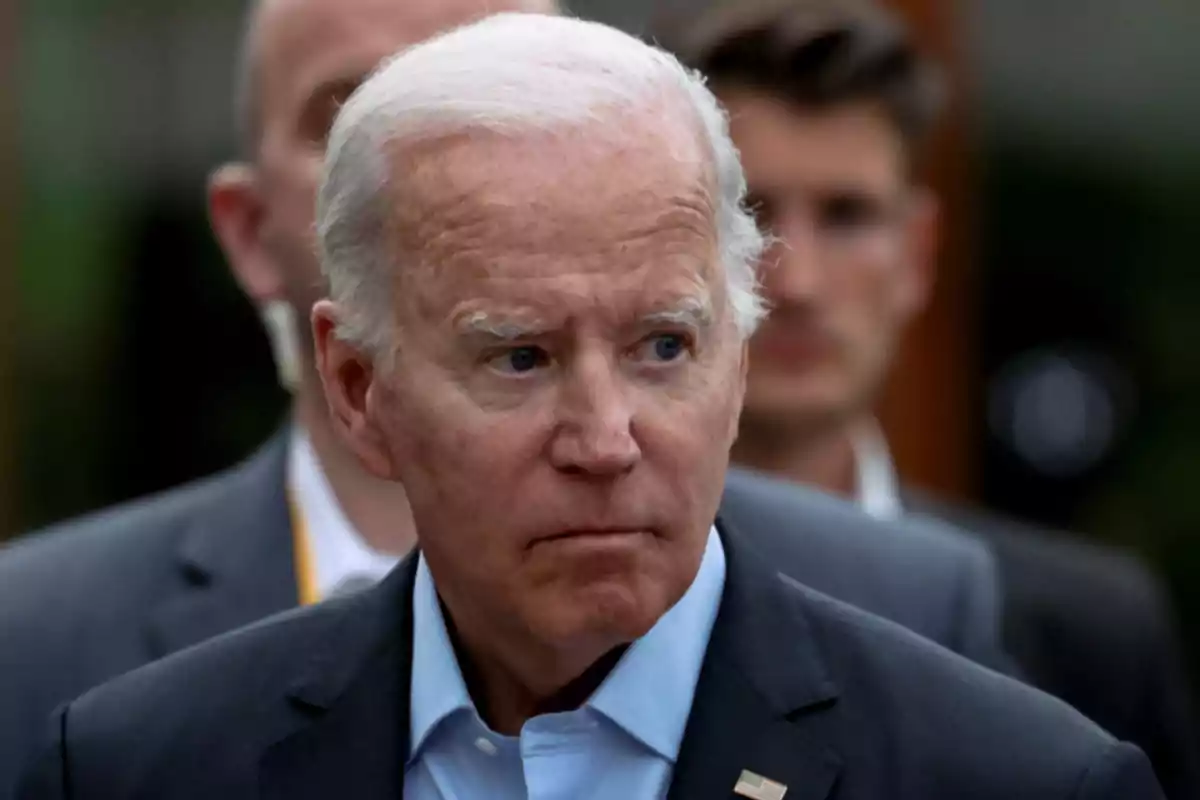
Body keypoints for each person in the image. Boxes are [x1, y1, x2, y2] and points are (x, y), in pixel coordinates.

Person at [17, 15, 1162, 799]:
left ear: (739, 346)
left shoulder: (1012, 776)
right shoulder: (144, 762)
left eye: (666, 345)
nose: (608, 439)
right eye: (519, 357)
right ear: (361, 388)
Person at [650, 0, 1199, 796]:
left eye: (848, 215)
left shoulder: (1086, 631)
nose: (796, 280)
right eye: (751, 214)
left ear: (918, 253)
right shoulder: (573, 593)